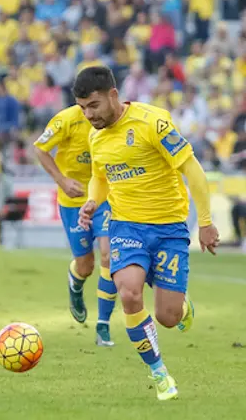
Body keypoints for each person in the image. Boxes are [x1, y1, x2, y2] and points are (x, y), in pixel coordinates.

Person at [73, 66, 219, 401]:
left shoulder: (152, 122)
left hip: (169, 228)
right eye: (82, 108)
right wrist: (93, 201)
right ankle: (159, 373)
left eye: (93, 105)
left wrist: (207, 221)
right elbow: (100, 176)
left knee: (168, 316)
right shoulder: (95, 137)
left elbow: (191, 167)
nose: (88, 115)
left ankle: (181, 307)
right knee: (129, 294)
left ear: (113, 95)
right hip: (126, 226)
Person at [33, 104, 117, 347]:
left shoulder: (111, 117)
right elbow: (40, 149)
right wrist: (62, 180)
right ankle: (75, 282)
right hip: (72, 201)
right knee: (86, 265)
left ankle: (104, 325)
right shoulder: (66, 119)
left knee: (108, 255)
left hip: (104, 198)